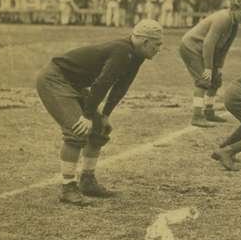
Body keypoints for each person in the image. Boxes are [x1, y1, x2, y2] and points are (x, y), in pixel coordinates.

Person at [35, 19, 164, 204]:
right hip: (55, 79)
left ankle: (87, 180)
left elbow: (121, 86)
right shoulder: (122, 51)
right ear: (145, 42)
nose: (158, 49)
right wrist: (87, 116)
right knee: (76, 129)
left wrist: (104, 116)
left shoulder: (136, 54)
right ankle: (68, 187)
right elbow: (102, 83)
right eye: (157, 44)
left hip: (74, 83)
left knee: (99, 129)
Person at [180, 0, 241, 127]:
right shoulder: (223, 18)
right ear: (234, 9)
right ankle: (196, 116)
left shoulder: (234, 23)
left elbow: (224, 47)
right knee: (203, 80)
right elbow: (209, 43)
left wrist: (218, 66)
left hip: (203, 49)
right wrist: (208, 67)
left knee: (216, 79)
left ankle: (209, 111)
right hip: (191, 47)